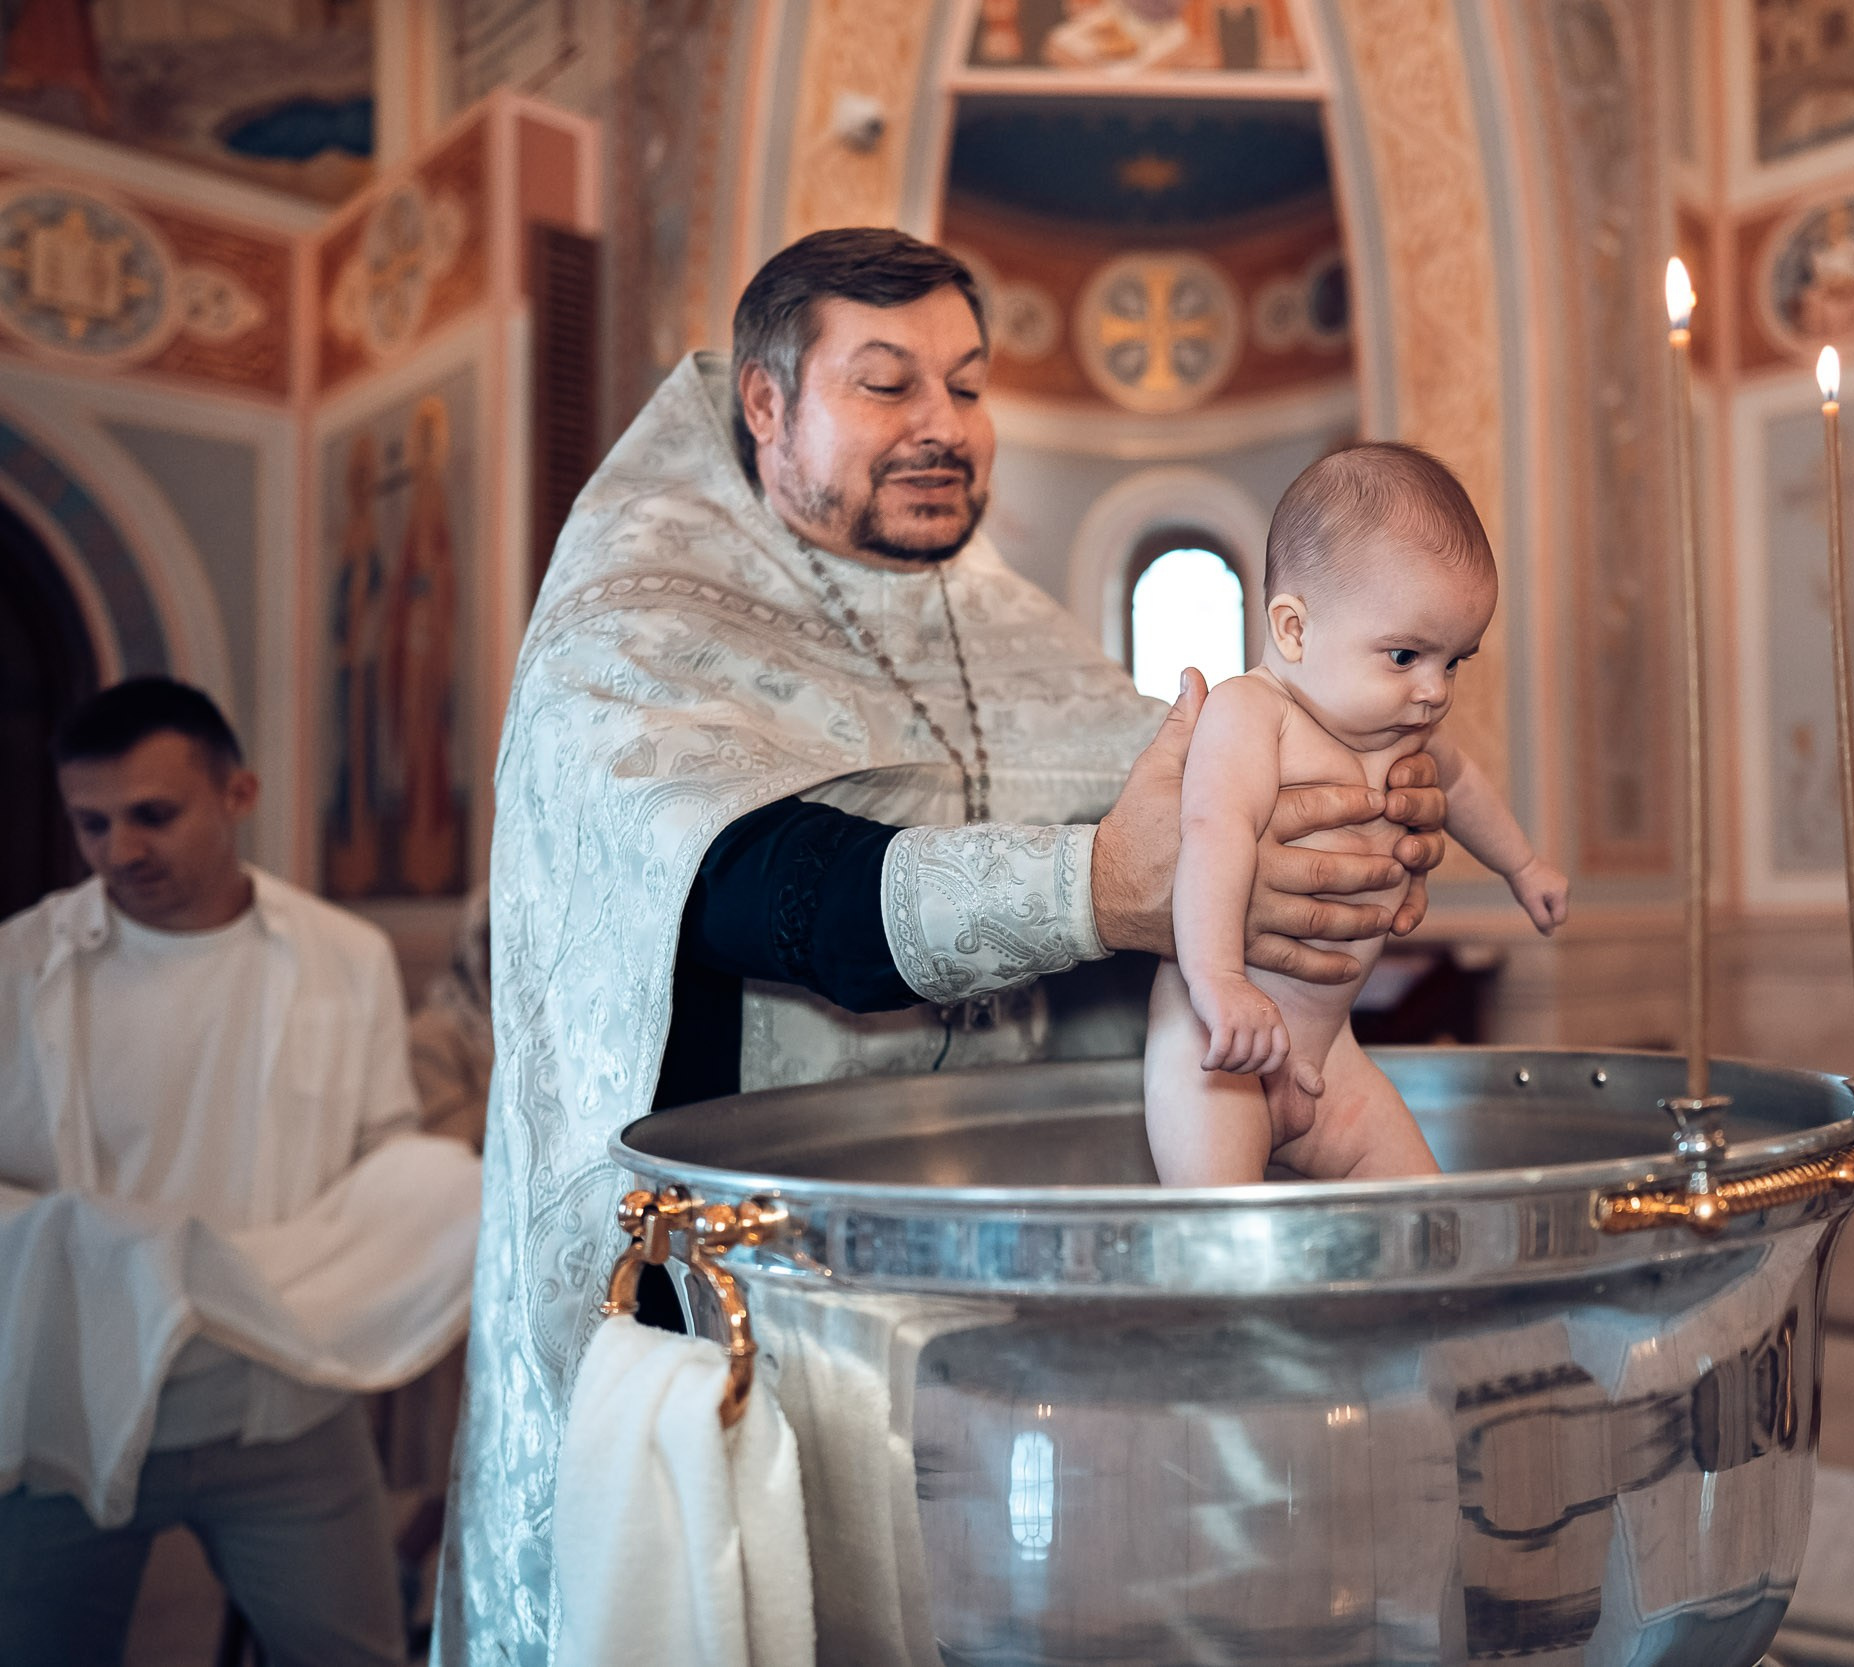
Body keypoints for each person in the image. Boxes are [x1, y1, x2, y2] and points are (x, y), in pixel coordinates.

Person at [437, 227, 1451, 1664]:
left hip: (1015, 1305)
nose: (943, 426)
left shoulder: (1007, 618)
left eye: (968, 386)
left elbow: (1200, 834)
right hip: (756, 1301)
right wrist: (1095, 887)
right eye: (887, 382)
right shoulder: (639, 598)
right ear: (768, 405)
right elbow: (751, 884)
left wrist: (1347, 832)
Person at [0, 678, 448, 1666]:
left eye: (153, 814)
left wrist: (447, 1202)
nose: (121, 849)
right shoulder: (16, 966)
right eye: (93, 823)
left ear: (237, 793)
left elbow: (383, 1153)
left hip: (283, 1402)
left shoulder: (347, 955)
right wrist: (107, 1246)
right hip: (71, 1410)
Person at [1148, 444, 1568, 1186]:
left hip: (1328, 1055)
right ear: (1294, 630)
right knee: (1223, 1242)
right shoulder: (1252, 713)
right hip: (1218, 1046)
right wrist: (1217, 982)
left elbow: (1461, 787)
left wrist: (1522, 864)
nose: (1435, 689)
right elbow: (1213, 835)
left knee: (1422, 1213)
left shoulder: (1403, 733)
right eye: (1405, 655)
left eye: (1454, 661)